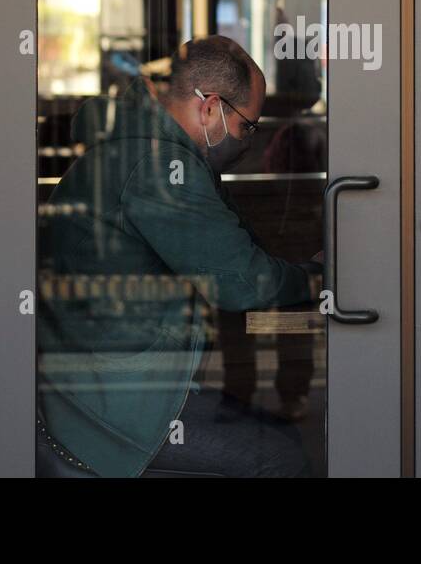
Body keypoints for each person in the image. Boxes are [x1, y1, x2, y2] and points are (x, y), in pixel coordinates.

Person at [37, 36, 316, 477]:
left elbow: (230, 248)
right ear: (210, 108)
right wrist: (316, 280)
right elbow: (240, 282)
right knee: (280, 456)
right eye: (248, 126)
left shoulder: (140, 146)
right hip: (108, 405)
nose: (248, 140)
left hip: (96, 381)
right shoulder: (160, 166)